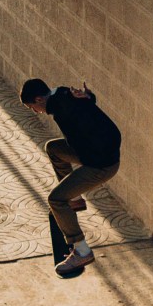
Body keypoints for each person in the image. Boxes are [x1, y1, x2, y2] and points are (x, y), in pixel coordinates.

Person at [21, 77, 121, 274]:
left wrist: (87, 100)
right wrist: (89, 97)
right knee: (53, 148)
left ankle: (82, 251)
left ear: (40, 99)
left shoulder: (63, 109)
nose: (35, 111)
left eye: (33, 107)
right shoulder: (62, 93)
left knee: (56, 199)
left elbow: (81, 114)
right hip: (96, 151)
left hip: (101, 164)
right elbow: (86, 108)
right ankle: (75, 199)